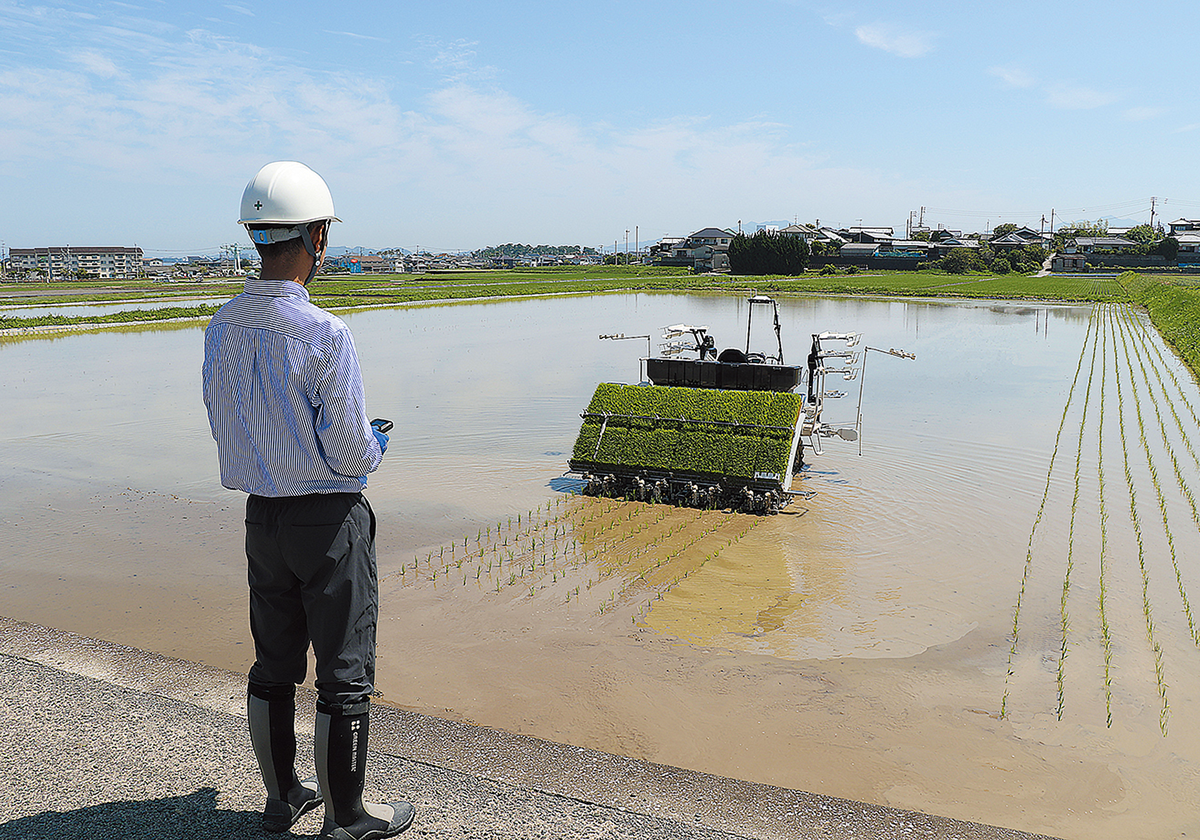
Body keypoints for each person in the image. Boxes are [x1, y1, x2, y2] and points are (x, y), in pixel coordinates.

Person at [202, 160, 415, 840]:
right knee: (344, 675)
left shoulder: (222, 326)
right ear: (317, 238)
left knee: (273, 663)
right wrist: (377, 444)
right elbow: (352, 455)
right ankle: (348, 817)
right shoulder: (326, 334)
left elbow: (227, 426)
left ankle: (283, 797)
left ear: (257, 236)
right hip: (327, 521)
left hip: (261, 518)